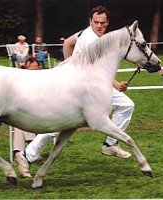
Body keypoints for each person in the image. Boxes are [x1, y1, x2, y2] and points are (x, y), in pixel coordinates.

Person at [63, 5, 134, 159]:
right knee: (59, 124)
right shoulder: (92, 40)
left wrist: (67, 66)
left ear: (107, 22)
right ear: (90, 21)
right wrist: (115, 84)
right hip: (82, 87)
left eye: (102, 22)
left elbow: (68, 43)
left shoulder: (86, 33)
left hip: (91, 85)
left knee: (126, 105)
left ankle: (110, 144)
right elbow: (98, 68)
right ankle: (28, 155)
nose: (99, 25)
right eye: (96, 22)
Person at [12, 58, 58, 177]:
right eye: (31, 70)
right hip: (26, 115)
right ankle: (21, 154)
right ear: (25, 69)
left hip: (43, 115)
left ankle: (22, 155)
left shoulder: (46, 82)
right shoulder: (19, 83)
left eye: (36, 69)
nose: (34, 72)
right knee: (18, 124)